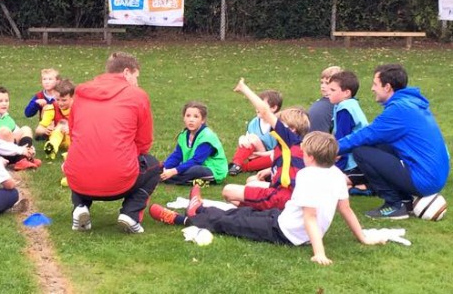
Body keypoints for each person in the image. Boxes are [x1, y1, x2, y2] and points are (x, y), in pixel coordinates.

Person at [149, 132, 383, 266]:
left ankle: (184, 219)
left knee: (230, 223)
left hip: (284, 232)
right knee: (241, 213)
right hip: (282, 219)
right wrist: (362, 237)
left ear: (309, 157)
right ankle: (199, 208)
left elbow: (310, 217)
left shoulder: (307, 175)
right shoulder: (337, 175)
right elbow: (347, 210)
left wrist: (319, 253)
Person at [63, 52, 159, 234]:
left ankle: (80, 206)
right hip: (119, 178)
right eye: (136, 77)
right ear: (126, 73)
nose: (137, 82)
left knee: (80, 156)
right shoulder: (137, 95)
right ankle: (130, 213)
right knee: (153, 166)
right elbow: (144, 142)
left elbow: (74, 132)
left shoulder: (81, 95)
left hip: (78, 176)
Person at [337, 64, 450, 219]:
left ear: (388, 87)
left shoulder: (399, 110)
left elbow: (365, 135)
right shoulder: (410, 103)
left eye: (375, 84)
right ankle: (405, 201)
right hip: (433, 175)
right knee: (379, 145)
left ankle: (395, 205)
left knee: (361, 151)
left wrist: (331, 148)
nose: (372, 88)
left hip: (425, 179)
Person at [222, 78, 309, 211]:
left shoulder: (288, 139)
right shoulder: (291, 144)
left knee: (228, 191)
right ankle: (259, 210)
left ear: (292, 130)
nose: (276, 125)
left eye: (281, 123)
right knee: (252, 181)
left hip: (282, 195)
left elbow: (264, 111)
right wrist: (269, 170)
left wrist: (243, 88)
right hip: (282, 190)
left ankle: (261, 212)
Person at [161, 101, 228, 185]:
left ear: (202, 120)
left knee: (195, 170)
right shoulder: (184, 135)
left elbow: (197, 161)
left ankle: (171, 179)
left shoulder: (207, 137)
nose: (191, 120)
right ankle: (167, 176)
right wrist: (166, 167)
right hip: (192, 165)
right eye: (188, 116)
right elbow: (177, 155)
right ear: (184, 118)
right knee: (163, 166)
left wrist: (173, 171)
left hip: (212, 170)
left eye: (196, 117)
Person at [325, 71, 369, 193]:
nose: (328, 92)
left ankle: (365, 186)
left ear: (346, 93)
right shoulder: (348, 104)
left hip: (355, 163)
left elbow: (343, 140)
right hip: (358, 158)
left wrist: (336, 167)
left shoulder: (345, 109)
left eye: (333, 90)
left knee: (327, 181)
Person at [228, 90, 282, 176]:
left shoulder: (279, 126)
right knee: (249, 139)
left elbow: (281, 151)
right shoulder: (254, 122)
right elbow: (248, 139)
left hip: (270, 156)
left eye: (261, 105)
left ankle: (243, 167)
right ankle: (236, 164)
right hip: (255, 154)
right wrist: (242, 139)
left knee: (276, 158)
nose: (257, 108)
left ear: (274, 108)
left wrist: (262, 154)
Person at [0, 86, 40, 170]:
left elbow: (18, 133)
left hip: (12, 149)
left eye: (6, 101)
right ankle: (20, 159)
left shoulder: (6, 116)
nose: (4, 103)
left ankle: (26, 157)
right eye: (0, 101)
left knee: (25, 129)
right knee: (5, 131)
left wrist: (30, 148)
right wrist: (20, 149)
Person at [37, 79, 75, 160]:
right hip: (58, 139)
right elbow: (38, 130)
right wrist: (45, 130)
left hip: (73, 139)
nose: (60, 103)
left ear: (72, 97)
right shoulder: (52, 108)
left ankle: (72, 154)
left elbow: (87, 129)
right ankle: (51, 148)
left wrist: (71, 129)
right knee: (60, 126)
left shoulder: (79, 109)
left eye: (64, 100)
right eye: (57, 99)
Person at [308, 66, 342, 133]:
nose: (322, 86)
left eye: (327, 83)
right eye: (321, 82)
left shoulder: (339, 104)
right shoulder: (321, 108)